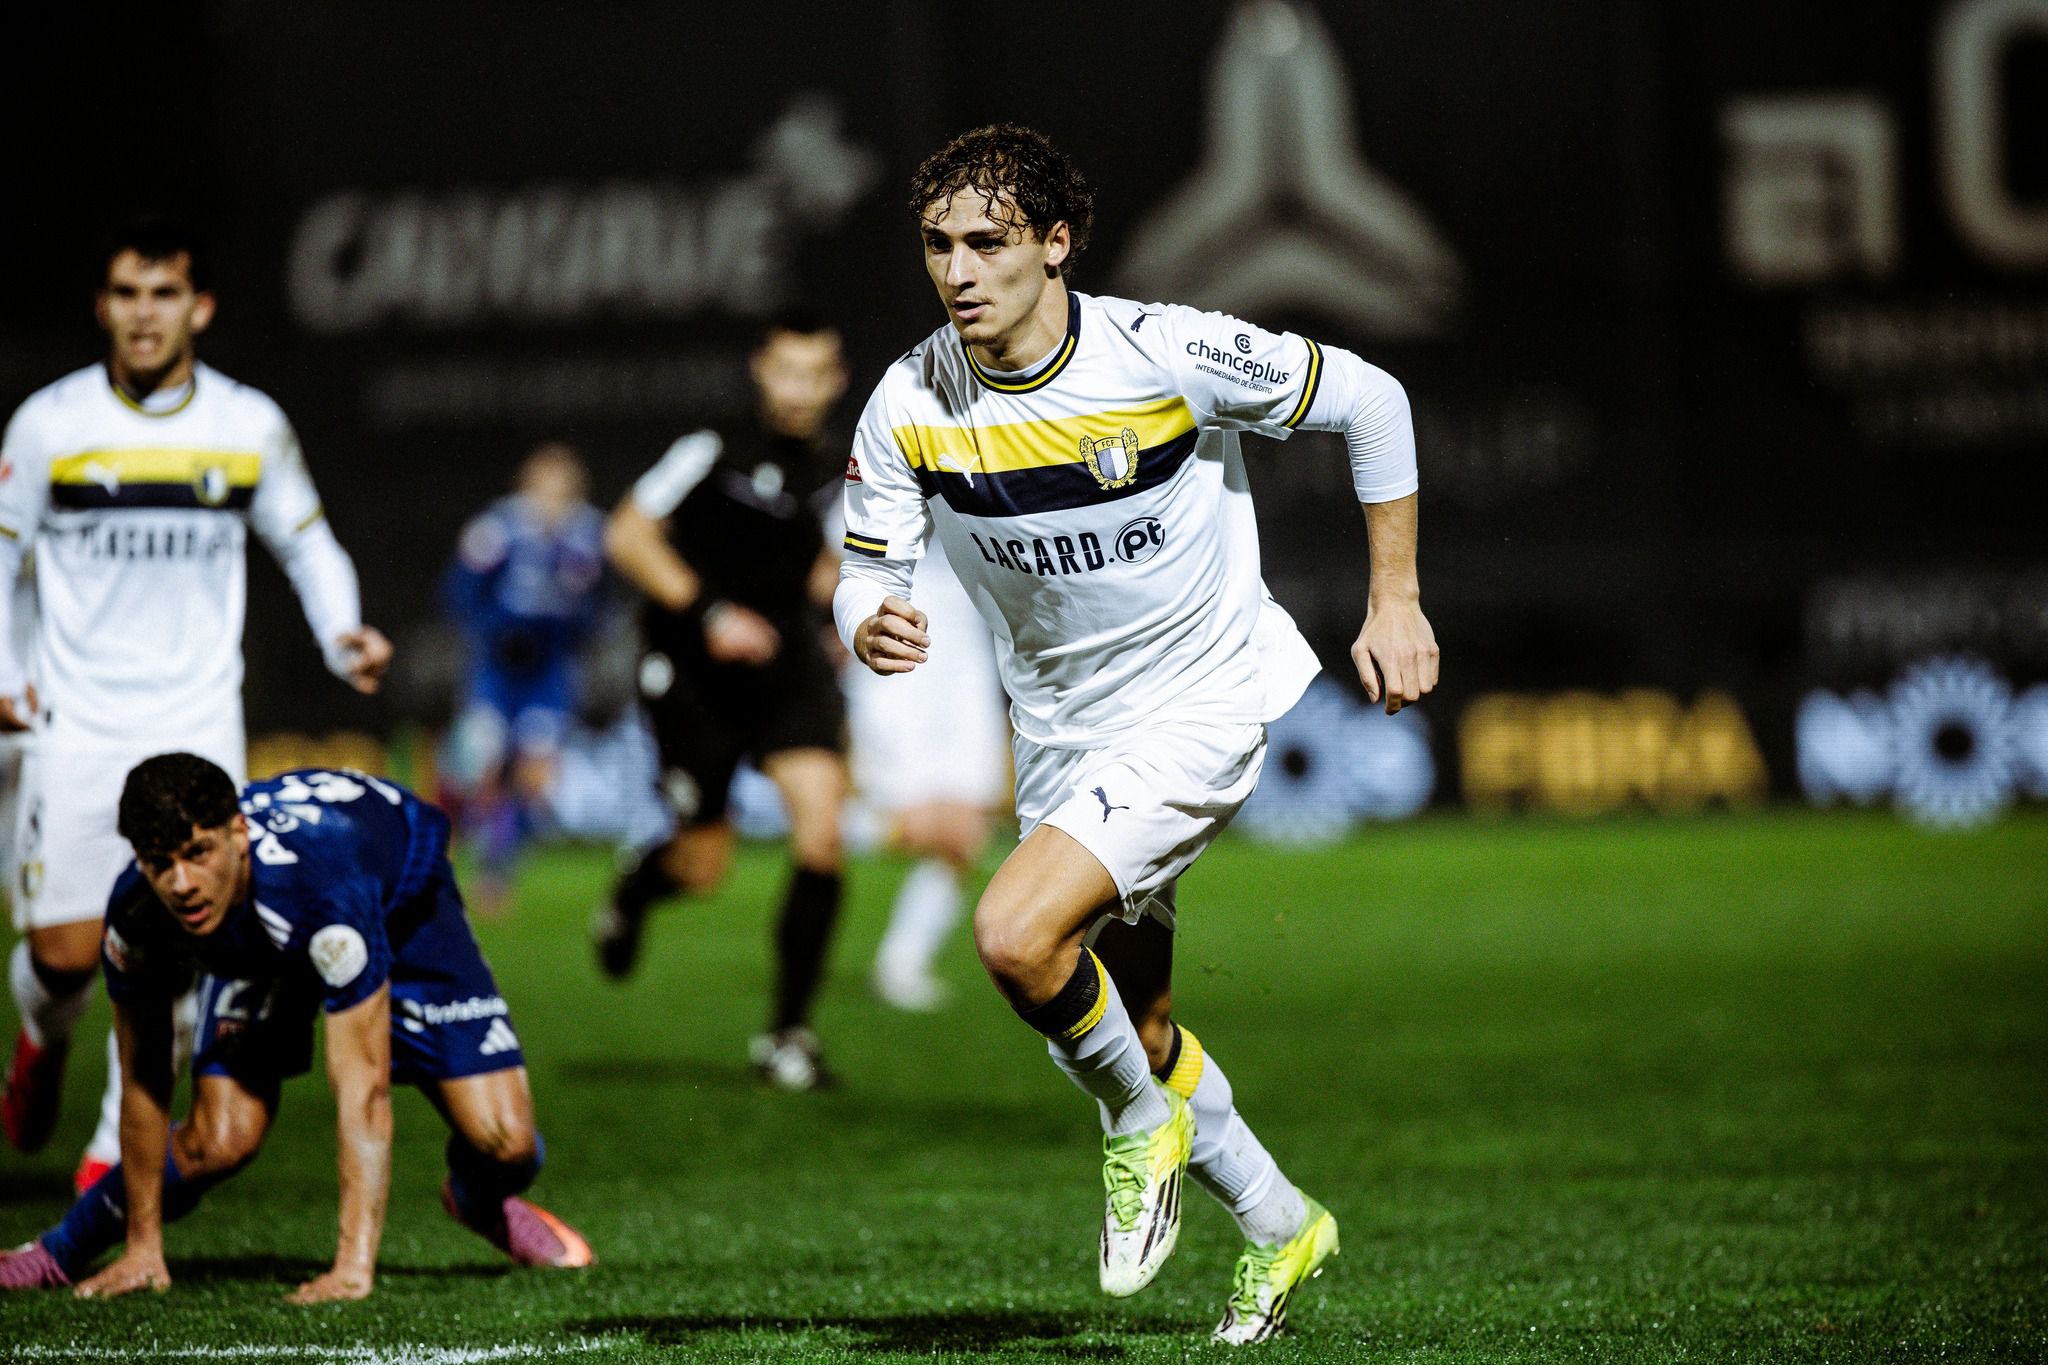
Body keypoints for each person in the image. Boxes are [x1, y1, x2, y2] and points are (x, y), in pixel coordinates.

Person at [836, 125, 1439, 1344]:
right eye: (938, 246)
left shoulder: (1162, 352)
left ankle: (1134, 1127)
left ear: (1056, 244)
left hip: (1199, 701)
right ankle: (1280, 1226)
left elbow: (1372, 401)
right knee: (1135, 1028)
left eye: (988, 243)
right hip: (1062, 735)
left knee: (1014, 937)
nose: (958, 271)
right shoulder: (909, 399)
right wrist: (866, 620)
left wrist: (1396, 598)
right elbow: (866, 567)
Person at [0, 221, 392, 1194]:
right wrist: (4, 672)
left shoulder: (246, 425)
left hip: (196, 722)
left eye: (164, 294)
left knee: (180, 941)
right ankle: (41, 1037)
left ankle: (108, 1165)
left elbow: (305, 539)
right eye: (128, 294)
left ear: (200, 308)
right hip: (76, 723)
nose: (145, 315)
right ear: (103, 307)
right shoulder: (49, 424)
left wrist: (342, 630)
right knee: (64, 955)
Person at [0, 753, 593, 1299]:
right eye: (161, 863)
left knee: (505, 1144)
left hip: (401, 907)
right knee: (218, 1139)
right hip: (260, 937)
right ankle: (57, 1253)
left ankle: (475, 1197)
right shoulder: (135, 914)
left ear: (238, 834)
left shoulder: (323, 890)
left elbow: (362, 1087)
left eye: (198, 853)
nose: (181, 884)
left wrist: (352, 1267)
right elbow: (144, 1078)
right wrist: (142, 1248)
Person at [591, 308, 852, 1091]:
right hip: (695, 669)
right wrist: (711, 613)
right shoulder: (709, 449)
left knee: (822, 832)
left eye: (815, 374)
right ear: (761, 371)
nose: (799, 389)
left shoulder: (841, 467)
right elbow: (628, 534)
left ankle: (787, 1034)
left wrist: (853, 616)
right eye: (787, 371)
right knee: (703, 865)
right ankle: (639, 885)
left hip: (785, 666)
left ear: (837, 382)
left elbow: (827, 567)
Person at [841, 527, 1007, 1012]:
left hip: (966, 664)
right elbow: (834, 571)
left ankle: (902, 964)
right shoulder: (868, 493)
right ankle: (835, 824)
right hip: (897, 667)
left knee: (967, 836)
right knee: (921, 825)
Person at [441, 442, 608, 915]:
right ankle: (448, 845)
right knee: (484, 768)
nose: (553, 500)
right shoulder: (497, 529)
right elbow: (459, 590)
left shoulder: (589, 535)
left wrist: (575, 633)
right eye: (544, 488)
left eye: (563, 490)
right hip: (497, 666)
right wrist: (491, 630)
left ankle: (496, 870)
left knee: (535, 774)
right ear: (526, 487)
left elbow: (600, 605)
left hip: (549, 670)